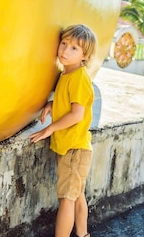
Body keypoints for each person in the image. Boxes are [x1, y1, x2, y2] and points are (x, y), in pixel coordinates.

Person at [30, 24, 97, 237]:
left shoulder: (78, 77)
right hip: (73, 146)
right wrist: (52, 105)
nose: (66, 51)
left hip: (74, 149)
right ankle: (83, 234)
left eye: (75, 48)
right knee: (76, 196)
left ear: (85, 56)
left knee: (67, 200)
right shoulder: (67, 73)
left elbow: (77, 114)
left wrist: (50, 128)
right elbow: (66, 102)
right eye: (64, 43)